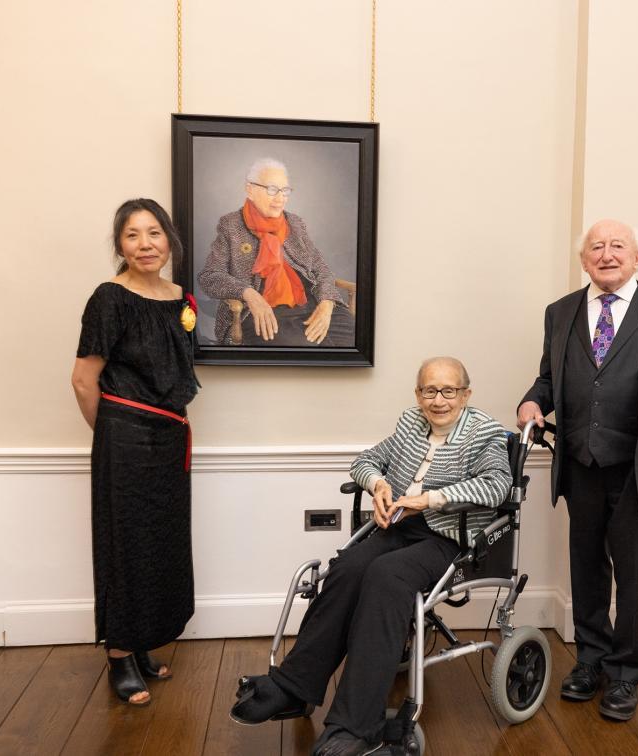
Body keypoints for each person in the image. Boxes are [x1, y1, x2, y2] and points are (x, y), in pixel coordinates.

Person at [230, 357, 511, 756]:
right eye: (429, 390)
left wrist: (429, 499)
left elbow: (498, 486)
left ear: (466, 393)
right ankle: (294, 687)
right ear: (418, 394)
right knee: (347, 568)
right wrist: (379, 484)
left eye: (449, 391)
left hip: (448, 536)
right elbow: (364, 460)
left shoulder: (484, 432)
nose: (439, 400)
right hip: (397, 526)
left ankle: (357, 723)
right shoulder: (409, 423)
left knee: (386, 576)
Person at [517, 219, 638, 721]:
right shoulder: (560, 313)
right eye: (596, 247)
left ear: (637, 258)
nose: (607, 254)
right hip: (581, 465)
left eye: (618, 245)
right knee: (587, 570)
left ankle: (627, 672)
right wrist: (533, 402)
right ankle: (591, 661)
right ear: (584, 260)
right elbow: (548, 379)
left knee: (633, 574)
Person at [71, 199, 200, 705]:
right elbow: (84, 381)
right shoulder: (109, 298)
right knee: (125, 548)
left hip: (170, 441)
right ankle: (120, 656)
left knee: (160, 547)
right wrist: (114, 437)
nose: (145, 244)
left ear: (169, 240)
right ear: (119, 245)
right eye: (132, 235)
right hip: (125, 442)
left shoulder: (178, 298)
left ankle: (143, 643)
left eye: (154, 233)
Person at [198, 157, 354, 347]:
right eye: (272, 190)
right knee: (304, 354)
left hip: (310, 303)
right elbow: (209, 276)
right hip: (262, 313)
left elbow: (321, 268)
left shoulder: (295, 223)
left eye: (285, 190)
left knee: (351, 338)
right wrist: (248, 294)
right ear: (250, 189)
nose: (280, 198)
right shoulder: (231, 225)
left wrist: (327, 303)